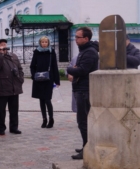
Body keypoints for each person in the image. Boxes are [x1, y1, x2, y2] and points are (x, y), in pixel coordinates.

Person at [67, 27, 99, 160]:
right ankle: (86, 145)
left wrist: (70, 69)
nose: (75, 40)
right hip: (80, 88)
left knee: (83, 121)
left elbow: (82, 70)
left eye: (78, 37)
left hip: (85, 90)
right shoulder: (84, 51)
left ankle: (87, 149)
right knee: (82, 121)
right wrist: (74, 69)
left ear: (86, 39)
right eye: (75, 37)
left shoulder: (90, 52)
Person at [0, 39, 24, 135]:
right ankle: (1, 128)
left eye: (5, 44)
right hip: (2, 87)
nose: (4, 46)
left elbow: (20, 68)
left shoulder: (13, 56)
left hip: (14, 86)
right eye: (1, 44)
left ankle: (14, 127)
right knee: (1, 110)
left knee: (14, 109)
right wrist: (1, 55)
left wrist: (21, 79)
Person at [30, 36, 60, 128]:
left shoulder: (51, 52)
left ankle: (51, 119)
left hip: (48, 79)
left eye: (45, 42)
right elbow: (32, 65)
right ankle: (44, 119)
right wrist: (34, 75)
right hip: (39, 79)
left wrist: (57, 80)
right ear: (40, 43)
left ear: (48, 43)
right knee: (41, 100)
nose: (44, 44)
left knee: (47, 99)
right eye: (42, 42)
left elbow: (55, 66)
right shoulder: (36, 52)